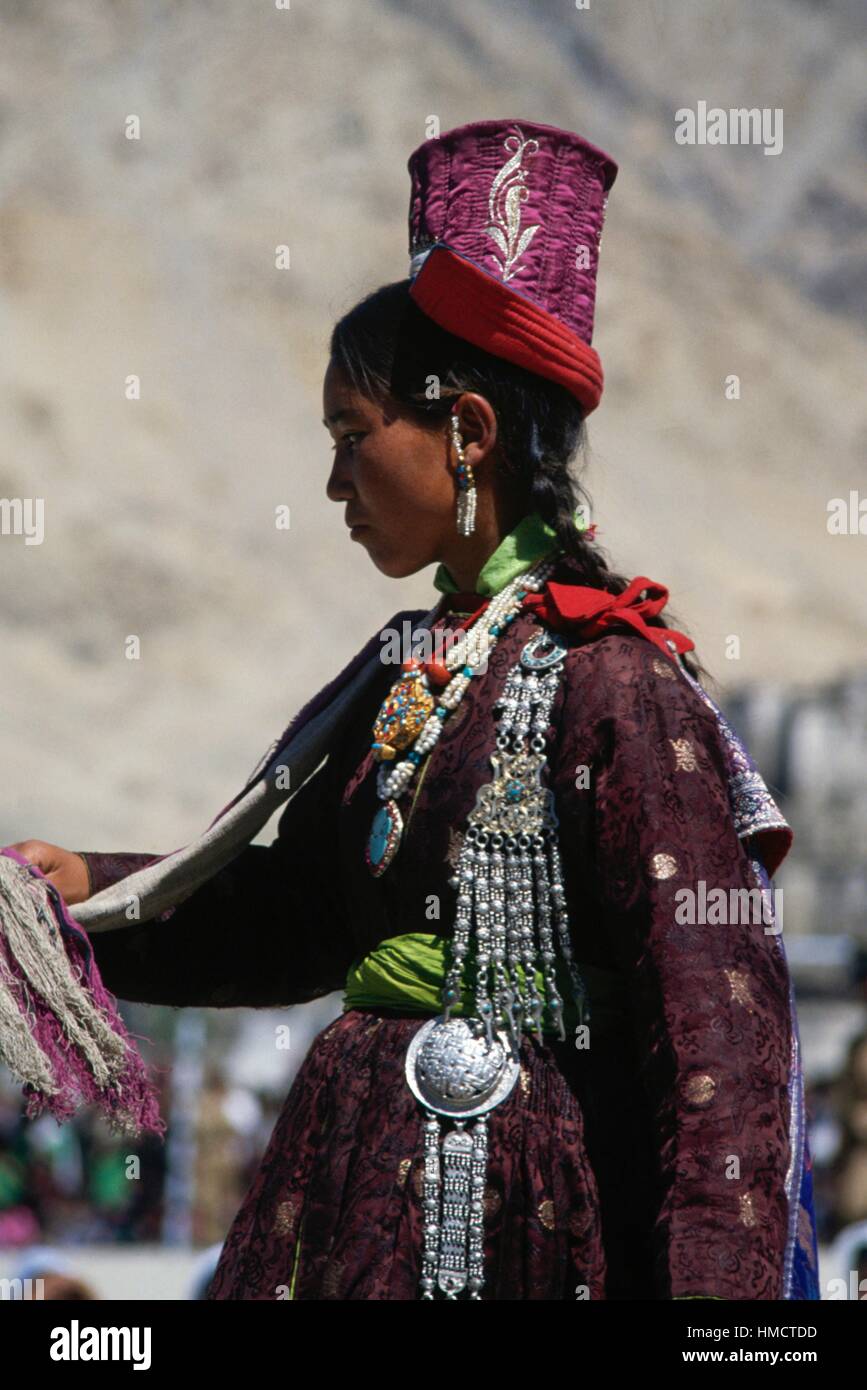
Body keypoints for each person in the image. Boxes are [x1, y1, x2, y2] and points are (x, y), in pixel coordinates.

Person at [13, 119, 820, 1301]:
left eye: (352, 438)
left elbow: (723, 1056)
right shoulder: (406, 674)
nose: (334, 483)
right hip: (349, 1210)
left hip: (531, 1236)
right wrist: (82, 892)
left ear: (467, 432)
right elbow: (298, 922)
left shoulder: (619, 683)